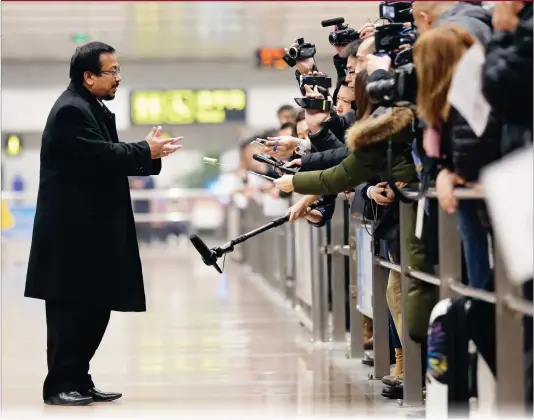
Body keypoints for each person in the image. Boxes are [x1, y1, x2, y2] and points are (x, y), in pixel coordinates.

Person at [24, 41, 183, 406]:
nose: (118, 78)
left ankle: (79, 377)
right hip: (71, 233)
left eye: (118, 71)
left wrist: (148, 154)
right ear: (88, 75)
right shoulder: (70, 111)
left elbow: (109, 160)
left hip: (91, 231)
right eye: (111, 72)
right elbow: (99, 156)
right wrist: (145, 150)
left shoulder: (89, 107)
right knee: (71, 310)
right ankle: (60, 384)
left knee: (94, 306)